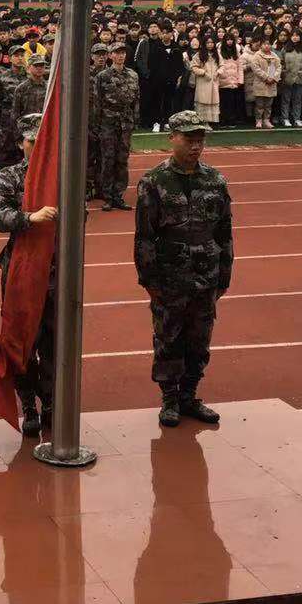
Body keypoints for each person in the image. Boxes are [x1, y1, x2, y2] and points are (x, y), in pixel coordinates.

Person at [134, 110, 234, 428]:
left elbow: (224, 231)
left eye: (200, 139)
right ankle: (170, 399)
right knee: (168, 338)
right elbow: (145, 236)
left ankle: (189, 396)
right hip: (170, 276)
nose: (195, 145)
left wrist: (224, 275)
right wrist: (149, 279)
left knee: (199, 339)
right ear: (172, 138)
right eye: (189, 139)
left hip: (206, 274)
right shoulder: (154, 182)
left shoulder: (215, 180)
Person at [0, 113, 58, 437]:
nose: (38, 146)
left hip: (56, 271)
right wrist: (30, 217)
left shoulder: (62, 175)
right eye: (32, 141)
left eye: (43, 141)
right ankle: (28, 404)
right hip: (21, 269)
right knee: (21, 339)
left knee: (54, 340)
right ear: (21, 144)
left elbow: (81, 216)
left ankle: (52, 402)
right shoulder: (10, 175)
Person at [93, 41, 139, 210]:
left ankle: (118, 195)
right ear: (110, 55)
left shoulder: (133, 75)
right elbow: (97, 102)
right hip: (108, 122)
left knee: (122, 159)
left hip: (125, 123)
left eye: (123, 53)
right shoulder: (102, 76)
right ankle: (107, 196)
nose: (121, 55)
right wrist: (97, 125)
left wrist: (135, 120)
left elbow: (136, 100)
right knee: (108, 159)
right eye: (117, 52)